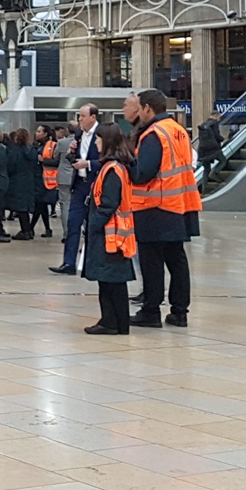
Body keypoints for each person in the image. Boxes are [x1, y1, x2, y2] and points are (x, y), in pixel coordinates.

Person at [125, 89, 201, 328]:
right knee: (176, 260)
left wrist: (126, 165)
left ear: (148, 108)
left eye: (139, 106)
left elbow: (143, 173)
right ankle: (179, 312)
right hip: (178, 204)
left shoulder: (153, 134)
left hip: (154, 205)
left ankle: (151, 311)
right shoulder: (178, 131)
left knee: (152, 262)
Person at [83, 122, 137, 335]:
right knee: (110, 281)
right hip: (113, 233)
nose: (95, 143)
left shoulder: (112, 169)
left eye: (98, 139)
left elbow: (108, 204)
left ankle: (112, 322)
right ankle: (113, 321)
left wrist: (94, 224)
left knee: (111, 281)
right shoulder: (114, 167)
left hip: (110, 235)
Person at [51, 104, 100, 275]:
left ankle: (90, 262)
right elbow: (76, 157)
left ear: (93, 117)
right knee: (73, 223)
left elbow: (109, 159)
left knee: (93, 225)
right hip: (79, 183)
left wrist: (88, 164)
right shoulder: (79, 135)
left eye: (82, 116)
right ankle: (68, 262)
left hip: (95, 184)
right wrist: (73, 153)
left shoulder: (102, 135)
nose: (80, 120)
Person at [5, 129, 37, 239]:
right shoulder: (32, 150)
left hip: (17, 180)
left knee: (20, 207)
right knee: (26, 206)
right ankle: (28, 230)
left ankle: (25, 231)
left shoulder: (15, 151)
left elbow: (10, 166)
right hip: (29, 179)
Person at [36, 124, 60, 236]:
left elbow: (56, 162)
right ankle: (46, 229)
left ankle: (31, 228)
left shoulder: (53, 145)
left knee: (41, 204)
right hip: (39, 178)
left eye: (39, 131)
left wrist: (43, 160)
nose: (37, 133)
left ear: (46, 133)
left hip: (48, 180)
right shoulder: (37, 145)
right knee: (41, 204)